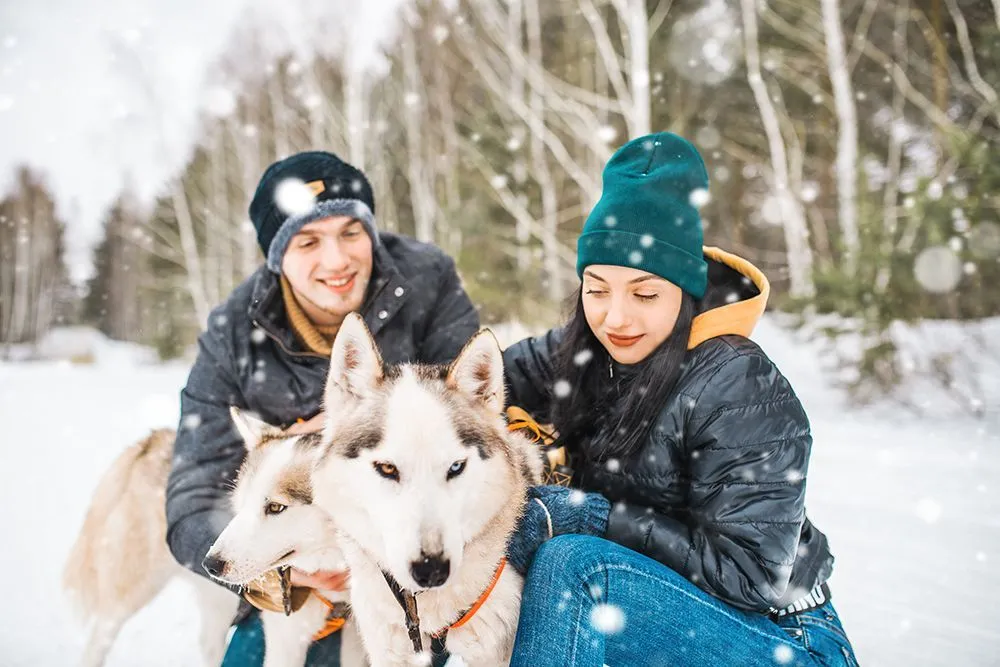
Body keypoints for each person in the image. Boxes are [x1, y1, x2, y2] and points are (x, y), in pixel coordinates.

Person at [503, 133, 858, 666]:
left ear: (686, 292)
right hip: (668, 621)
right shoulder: (583, 349)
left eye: (644, 293)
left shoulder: (737, 381)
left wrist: (594, 517)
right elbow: (459, 389)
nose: (616, 317)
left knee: (572, 564)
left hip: (784, 639)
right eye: (597, 289)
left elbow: (752, 577)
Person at [165, 150, 480, 666]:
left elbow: (467, 422)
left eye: (351, 233)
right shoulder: (233, 334)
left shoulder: (428, 282)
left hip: (413, 558)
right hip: (295, 569)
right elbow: (193, 492)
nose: (337, 261)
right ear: (277, 256)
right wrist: (285, 572)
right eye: (308, 241)